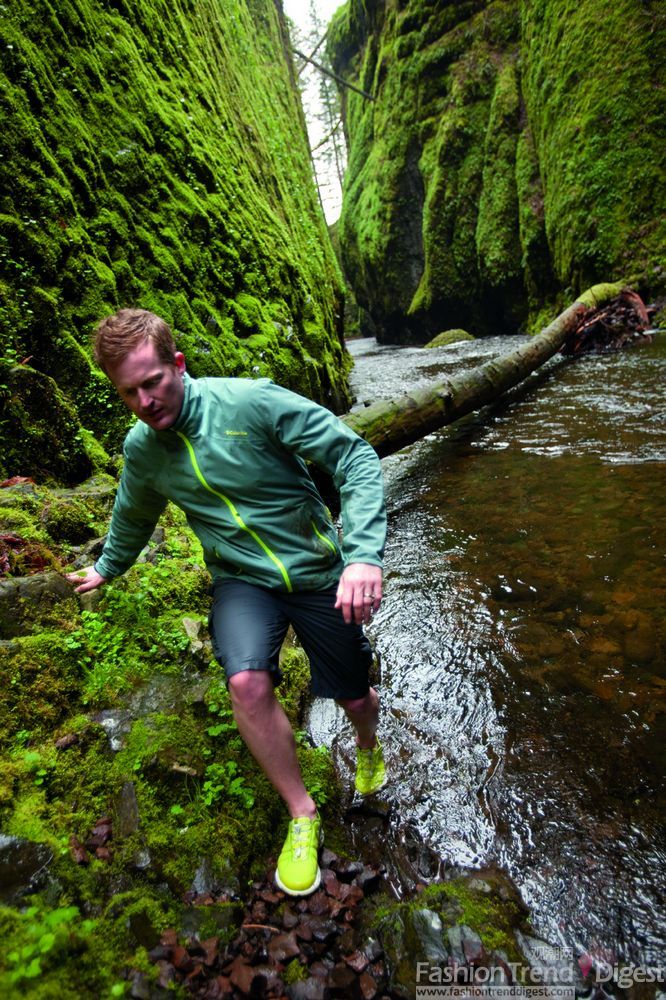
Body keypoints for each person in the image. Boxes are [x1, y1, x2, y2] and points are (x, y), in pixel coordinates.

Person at [66, 308, 387, 897]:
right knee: (246, 683)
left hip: (315, 569)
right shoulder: (143, 450)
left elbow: (354, 456)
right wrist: (107, 567)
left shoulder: (250, 403)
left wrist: (364, 554)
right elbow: (134, 514)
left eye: (153, 382)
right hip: (241, 579)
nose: (145, 401)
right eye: (128, 392)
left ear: (178, 365)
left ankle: (367, 743)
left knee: (352, 694)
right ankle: (302, 814)